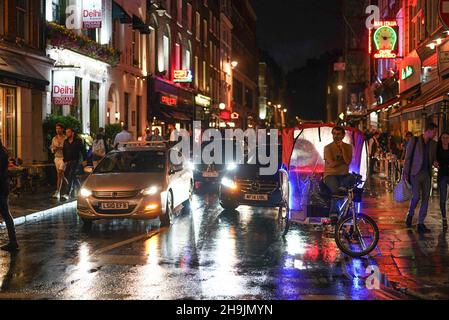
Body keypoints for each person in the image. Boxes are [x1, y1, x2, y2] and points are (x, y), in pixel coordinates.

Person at [403, 123, 438, 234]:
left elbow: (433, 158)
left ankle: (420, 223)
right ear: (428, 131)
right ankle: (410, 214)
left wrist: (435, 162)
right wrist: (405, 173)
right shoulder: (415, 140)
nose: (435, 134)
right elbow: (407, 158)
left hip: (427, 174)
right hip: (415, 173)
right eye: (434, 132)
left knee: (426, 198)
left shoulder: (433, 144)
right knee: (416, 196)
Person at [323, 126, 354, 224]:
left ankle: (347, 213)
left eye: (338, 134)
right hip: (330, 175)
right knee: (337, 191)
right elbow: (332, 164)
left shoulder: (348, 147)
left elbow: (348, 161)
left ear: (343, 135)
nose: (336, 136)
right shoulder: (327, 148)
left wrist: (343, 149)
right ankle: (334, 214)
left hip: (344, 175)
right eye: (334, 134)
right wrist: (342, 160)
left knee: (351, 189)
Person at [0, 140, 19, 252]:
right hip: (3, 185)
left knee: (6, 214)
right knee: (6, 214)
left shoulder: (1, 153)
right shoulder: (3, 151)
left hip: (1, 186)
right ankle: (13, 241)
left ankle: (13, 242)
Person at [61, 127, 88, 201]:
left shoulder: (78, 141)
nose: (67, 134)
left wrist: (85, 160)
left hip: (76, 161)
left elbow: (83, 150)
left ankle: (67, 193)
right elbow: (64, 151)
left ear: (72, 133)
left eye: (68, 132)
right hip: (68, 161)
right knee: (71, 176)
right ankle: (81, 189)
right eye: (66, 132)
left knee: (70, 175)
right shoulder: (65, 141)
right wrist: (65, 160)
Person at [436, 132, 449, 230]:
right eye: (443, 138)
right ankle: (444, 218)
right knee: (443, 198)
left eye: (447, 138)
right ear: (441, 139)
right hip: (442, 175)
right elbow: (434, 160)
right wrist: (435, 163)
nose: (445, 139)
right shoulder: (438, 150)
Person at [50, 123, 67, 199]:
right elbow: (52, 148)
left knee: (60, 173)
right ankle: (68, 185)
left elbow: (68, 148)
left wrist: (62, 148)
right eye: (56, 128)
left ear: (62, 129)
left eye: (59, 128)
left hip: (64, 158)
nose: (58, 130)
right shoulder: (54, 138)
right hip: (56, 157)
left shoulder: (66, 138)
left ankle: (57, 191)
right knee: (60, 175)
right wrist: (54, 149)